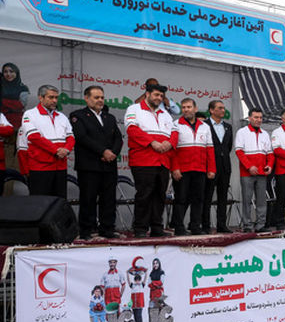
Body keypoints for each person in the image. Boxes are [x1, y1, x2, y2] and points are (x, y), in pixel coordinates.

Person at [69, 85, 122, 239]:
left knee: (109, 199)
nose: (100, 100)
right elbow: (82, 137)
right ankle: (86, 230)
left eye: (102, 97)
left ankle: (107, 229)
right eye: (96, 97)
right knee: (88, 198)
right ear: (87, 98)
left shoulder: (109, 117)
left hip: (109, 164)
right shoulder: (78, 115)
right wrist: (103, 151)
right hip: (89, 165)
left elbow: (118, 138)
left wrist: (112, 153)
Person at [123, 82, 174, 237]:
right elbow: (132, 129)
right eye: (156, 95)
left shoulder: (166, 114)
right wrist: (152, 142)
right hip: (143, 160)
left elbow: (174, 132)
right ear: (147, 94)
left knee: (160, 194)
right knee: (145, 194)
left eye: (161, 96)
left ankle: (157, 227)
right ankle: (140, 228)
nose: (159, 98)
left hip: (163, 160)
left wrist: (169, 143)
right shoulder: (134, 109)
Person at [170, 98, 216, 236]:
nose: (186, 109)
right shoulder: (176, 124)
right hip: (182, 170)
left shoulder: (205, 126)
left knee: (198, 199)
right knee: (181, 199)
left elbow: (210, 149)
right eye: (183, 107)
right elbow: (172, 149)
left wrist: (211, 169)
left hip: (200, 169)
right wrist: (175, 168)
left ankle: (195, 227)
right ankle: (179, 228)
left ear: (195, 109)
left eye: (189, 107)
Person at [21, 85, 74, 199]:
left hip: (60, 167)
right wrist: (56, 150)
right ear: (41, 97)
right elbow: (34, 137)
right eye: (51, 97)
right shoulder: (30, 114)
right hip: (40, 167)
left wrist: (66, 149)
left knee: (59, 202)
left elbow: (71, 137)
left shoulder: (62, 116)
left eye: (56, 97)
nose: (55, 100)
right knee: (40, 203)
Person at [234, 107, 274, 233]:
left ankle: (260, 224)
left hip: (262, 172)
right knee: (247, 199)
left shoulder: (265, 134)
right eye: (256, 117)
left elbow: (270, 153)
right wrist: (249, 166)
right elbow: (239, 151)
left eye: (260, 118)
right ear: (249, 118)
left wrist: (270, 165)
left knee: (262, 200)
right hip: (247, 173)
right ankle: (247, 225)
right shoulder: (242, 132)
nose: (258, 120)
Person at [203, 99, 234, 234]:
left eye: (223, 108)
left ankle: (222, 225)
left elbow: (228, 147)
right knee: (207, 197)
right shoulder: (204, 125)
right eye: (220, 108)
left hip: (225, 166)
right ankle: (205, 225)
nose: (223, 110)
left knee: (222, 198)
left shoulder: (228, 127)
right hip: (209, 166)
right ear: (211, 110)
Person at [2, 62, 30, 195]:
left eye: (11, 71)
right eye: (6, 71)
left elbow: (21, 105)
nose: (8, 74)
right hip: (3, 132)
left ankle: (9, 199)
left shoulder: (23, 88)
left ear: (16, 73)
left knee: (15, 167)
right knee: (5, 166)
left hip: (18, 131)